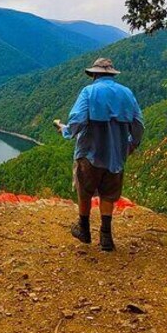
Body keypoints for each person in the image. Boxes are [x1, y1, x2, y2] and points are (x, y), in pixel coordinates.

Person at [53, 58, 144, 251]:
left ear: (94, 74)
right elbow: (138, 124)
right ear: (112, 74)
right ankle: (106, 236)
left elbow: (77, 120)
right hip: (116, 156)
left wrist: (65, 131)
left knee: (84, 190)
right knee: (109, 194)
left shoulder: (89, 91)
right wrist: (130, 145)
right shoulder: (127, 94)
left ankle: (84, 229)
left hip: (90, 153)